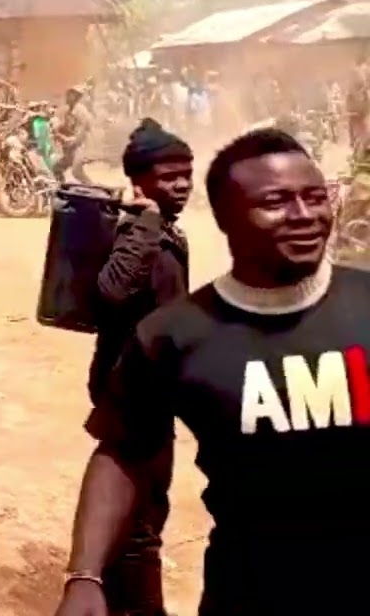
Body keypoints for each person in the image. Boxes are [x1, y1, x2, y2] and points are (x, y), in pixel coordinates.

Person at [54, 127, 368, 616]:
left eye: (315, 196)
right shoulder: (175, 336)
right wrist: (85, 575)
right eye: (276, 202)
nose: (305, 215)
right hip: (249, 593)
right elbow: (123, 452)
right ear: (226, 218)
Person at [84, 118, 193, 616]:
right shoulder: (138, 231)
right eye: (170, 176)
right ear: (140, 182)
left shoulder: (168, 232)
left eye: (187, 174)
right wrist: (146, 222)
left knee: (148, 509)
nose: (183, 184)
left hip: (153, 391)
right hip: (130, 393)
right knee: (140, 521)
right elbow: (112, 290)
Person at [54, 85, 93, 183]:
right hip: (71, 150)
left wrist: (64, 139)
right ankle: (61, 188)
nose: (66, 97)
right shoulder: (69, 111)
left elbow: (80, 135)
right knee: (56, 169)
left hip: (79, 148)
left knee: (77, 172)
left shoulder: (81, 111)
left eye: (69, 94)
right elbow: (67, 127)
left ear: (75, 96)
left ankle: (95, 190)